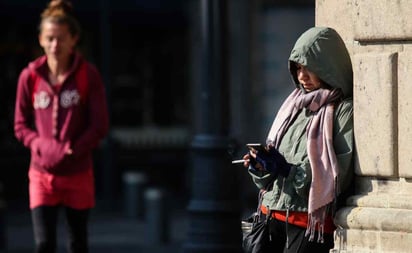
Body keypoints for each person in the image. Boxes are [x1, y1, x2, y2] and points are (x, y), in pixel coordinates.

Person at [242, 26, 354, 252]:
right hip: (270, 217)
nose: (302, 76)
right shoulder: (293, 106)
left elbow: (338, 176)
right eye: (298, 68)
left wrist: (287, 170)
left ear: (327, 67)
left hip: (306, 224)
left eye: (309, 68)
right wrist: (262, 166)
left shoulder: (342, 110)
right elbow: (273, 174)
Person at [13, 0, 109, 252]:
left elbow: (99, 124)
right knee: (44, 243)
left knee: (78, 242)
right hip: (42, 174)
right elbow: (20, 125)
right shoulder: (30, 76)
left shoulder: (88, 75)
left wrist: (74, 149)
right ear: (41, 39)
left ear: (74, 39)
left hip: (77, 172)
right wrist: (43, 146)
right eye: (50, 38)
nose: (55, 45)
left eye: (61, 38)